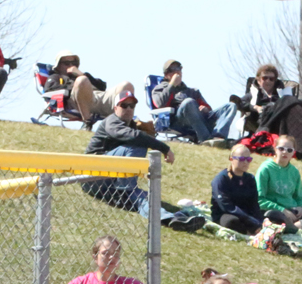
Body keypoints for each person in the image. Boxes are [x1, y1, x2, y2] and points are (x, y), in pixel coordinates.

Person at [82, 88, 206, 232]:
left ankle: (172, 219)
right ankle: (126, 189)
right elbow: (133, 137)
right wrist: (164, 148)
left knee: (145, 197)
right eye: (124, 105)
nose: (128, 109)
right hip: (92, 178)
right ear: (115, 108)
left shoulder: (130, 125)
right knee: (137, 144)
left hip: (110, 185)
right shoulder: (111, 121)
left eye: (132, 105)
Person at [151, 59, 235, 146]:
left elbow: (208, 108)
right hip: (178, 120)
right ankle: (206, 139)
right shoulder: (159, 89)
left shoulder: (192, 91)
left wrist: (206, 109)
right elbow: (160, 104)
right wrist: (171, 85)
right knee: (188, 102)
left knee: (231, 106)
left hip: (201, 118)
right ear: (166, 74)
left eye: (179, 68)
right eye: (173, 69)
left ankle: (218, 137)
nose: (177, 71)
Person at [42, 50, 119, 125]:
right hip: (76, 101)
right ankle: (87, 122)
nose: (70, 65)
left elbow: (102, 86)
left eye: (73, 63)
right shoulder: (55, 77)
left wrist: (81, 74)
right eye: (66, 63)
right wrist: (76, 86)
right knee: (82, 80)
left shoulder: (82, 76)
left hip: (97, 99)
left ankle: (124, 125)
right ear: (58, 66)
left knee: (124, 88)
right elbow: (49, 90)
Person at [256, 136, 302, 229]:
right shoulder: (265, 169)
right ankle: (292, 227)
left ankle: (293, 227)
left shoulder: (294, 172)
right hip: (274, 213)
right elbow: (259, 200)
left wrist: (300, 208)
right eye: (281, 148)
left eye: (289, 150)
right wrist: (282, 210)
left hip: (292, 212)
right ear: (275, 148)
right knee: (273, 215)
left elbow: (300, 198)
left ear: (293, 152)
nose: (285, 152)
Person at [209, 145, 264, 235]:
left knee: (273, 216)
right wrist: (249, 220)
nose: (246, 162)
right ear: (231, 159)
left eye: (248, 159)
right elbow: (227, 207)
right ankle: (250, 230)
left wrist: (259, 221)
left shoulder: (250, 178)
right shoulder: (221, 179)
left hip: (246, 214)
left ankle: (256, 229)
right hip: (226, 214)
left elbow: (254, 204)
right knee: (231, 222)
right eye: (242, 159)